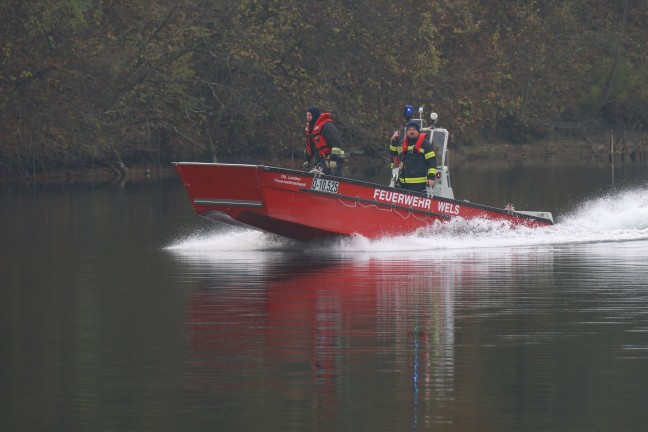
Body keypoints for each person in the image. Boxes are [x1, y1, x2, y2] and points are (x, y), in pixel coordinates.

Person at [389, 120, 436, 194]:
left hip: (418, 185)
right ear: (407, 132)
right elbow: (393, 153)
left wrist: (431, 177)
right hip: (402, 183)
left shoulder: (425, 145)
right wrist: (394, 141)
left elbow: (432, 161)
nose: (411, 132)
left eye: (414, 130)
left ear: (418, 131)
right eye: (409, 130)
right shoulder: (402, 143)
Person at [303, 106, 345, 176]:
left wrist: (333, 159)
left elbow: (336, 142)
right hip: (321, 159)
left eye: (310, 115)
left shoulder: (327, 125)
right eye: (307, 115)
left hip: (334, 158)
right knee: (317, 173)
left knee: (331, 176)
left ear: (315, 115)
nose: (308, 117)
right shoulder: (311, 129)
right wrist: (307, 159)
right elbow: (310, 146)